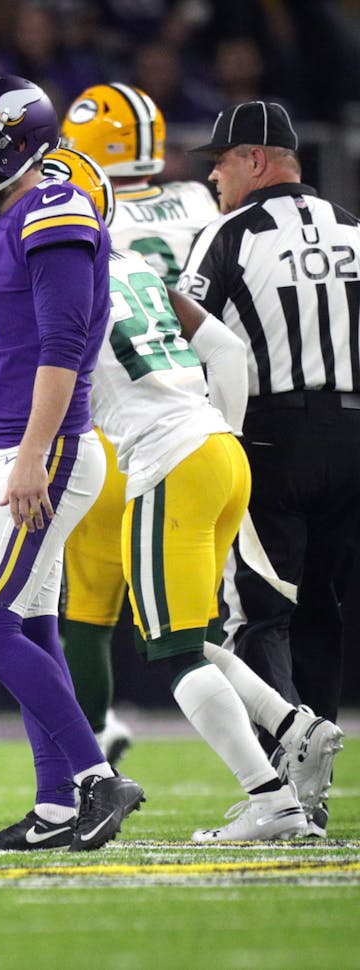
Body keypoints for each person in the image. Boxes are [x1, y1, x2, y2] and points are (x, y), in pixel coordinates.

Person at [46, 146, 319, 840]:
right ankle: (294, 727)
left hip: (166, 459)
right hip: (216, 448)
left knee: (168, 650)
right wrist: (213, 435)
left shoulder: (65, 282)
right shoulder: (136, 266)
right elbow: (226, 350)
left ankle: (271, 797)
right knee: (189, 635)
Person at [0, 73, 144, 852]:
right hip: (14, 446)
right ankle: (56, 805)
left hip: (45, 444)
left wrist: (26, 458)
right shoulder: (6, 213)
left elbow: (62, 347)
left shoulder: (53, 206)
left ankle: (95, 779)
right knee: (29, 623)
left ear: (16, 137)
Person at [179, 100, 354, 835]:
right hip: (353, 429)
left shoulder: (228, 233)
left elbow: (187, 335)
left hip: (272, 432)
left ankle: (282, 782)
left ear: (255, 159)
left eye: (220, 161)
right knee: (323, 606)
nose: (213, 176)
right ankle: (312, 784)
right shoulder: (352, 226)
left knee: (261, 606)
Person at [57, 82, 221, 763]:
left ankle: (88, 759)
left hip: (117, 427)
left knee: (90, 610)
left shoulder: (80, 214)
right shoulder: (201, 201)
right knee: (215, 616)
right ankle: (280, 739)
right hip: (206, 416)